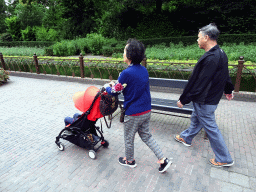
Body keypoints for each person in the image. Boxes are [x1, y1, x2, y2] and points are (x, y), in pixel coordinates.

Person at [105, 38, 172, 173]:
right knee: (147, 136)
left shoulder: (126, 73)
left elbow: (115, 91)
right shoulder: (143, 70)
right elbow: (128, 85)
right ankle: (163, 160)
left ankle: (129, 161)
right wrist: (117, 84)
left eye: (124, 51)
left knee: (129, 138)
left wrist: (107, 87)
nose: (122, 53)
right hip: (146, 110)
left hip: (133, 113)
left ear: (129, 55)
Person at [175, 23, 235, 167]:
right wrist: (228, 90)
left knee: (211, 128)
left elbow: (199, 83)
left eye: (199, 37)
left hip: (205, 100)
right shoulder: (220, 53)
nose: (197, 40)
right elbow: (225, 75)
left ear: (206, 38)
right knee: (196, 117)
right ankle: (186, 138)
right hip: (209, 99)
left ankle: (224, 158)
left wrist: (184, 99)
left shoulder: (211, 58)